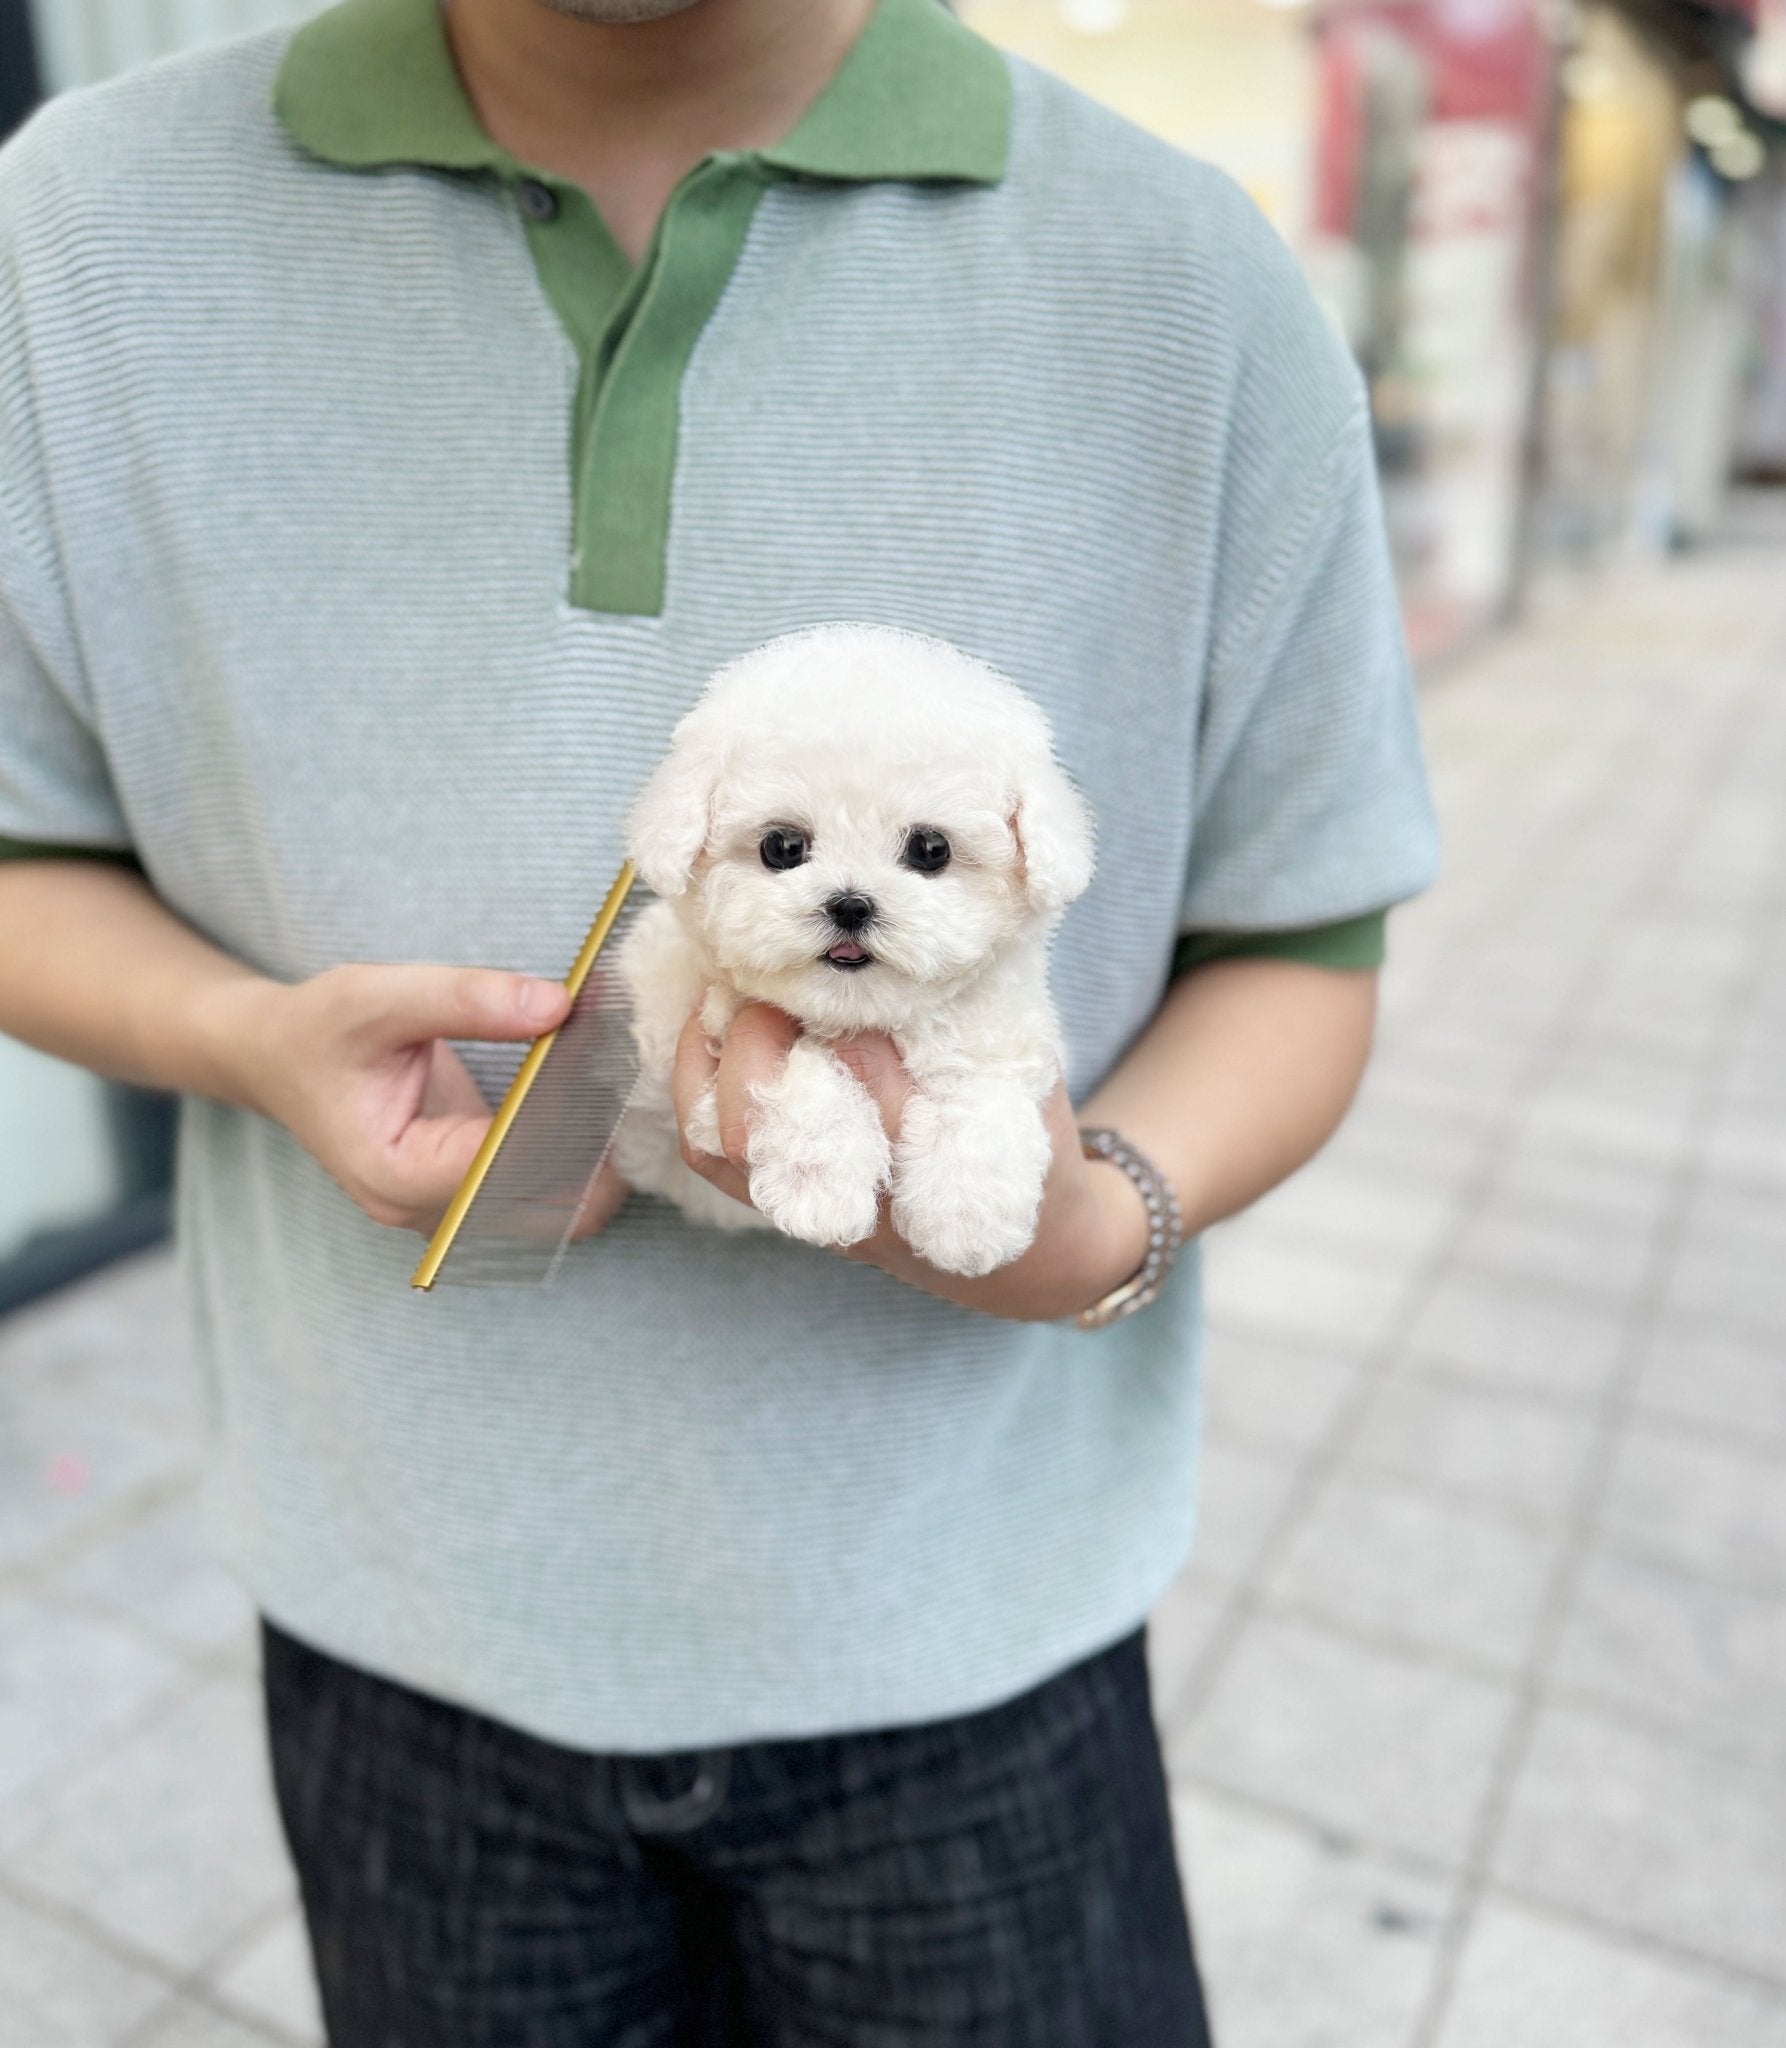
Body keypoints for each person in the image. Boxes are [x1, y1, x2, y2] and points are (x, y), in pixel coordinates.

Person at [0, 0, 1439, 2038]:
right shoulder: (68, 243)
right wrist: (240, 1034)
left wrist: (1093, 1216)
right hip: (394, 1601)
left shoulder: (1185, 284)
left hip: (977, 1629)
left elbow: (1300, 938)